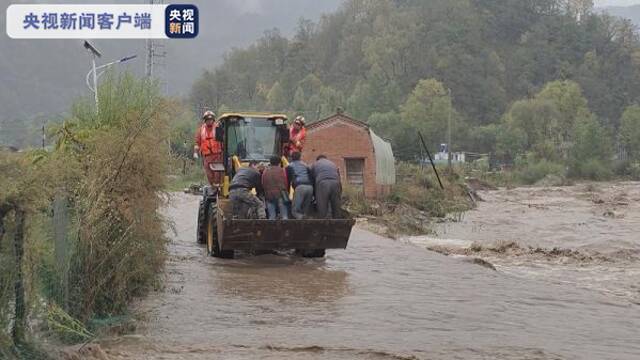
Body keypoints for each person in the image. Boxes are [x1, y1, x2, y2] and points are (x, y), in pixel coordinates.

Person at [194, 111, 223, 185]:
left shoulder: (218, 128)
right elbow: (197, 142)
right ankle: (212, 187)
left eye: (211, 119)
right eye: (207, 119)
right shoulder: (201, 130)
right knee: (209, 175)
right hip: (206, 157)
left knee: (217, 174)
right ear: (205, 120)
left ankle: (218, 187)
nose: (209, 121)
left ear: (213, 120)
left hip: (217, 156)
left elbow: (223, 141)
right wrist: (195, 152)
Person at [286, 151, 314, 219]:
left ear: (291, 158)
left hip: (300, 187)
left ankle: (301, 220)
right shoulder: (305, 165)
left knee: (295, 211)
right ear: (300, 157)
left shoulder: (289, 166)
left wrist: (288, 193)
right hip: (310, 187)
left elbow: (288, 180)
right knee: (305, 211)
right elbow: (311, 177)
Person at [262, 156, 290, 220]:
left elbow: (263, 183)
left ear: (270, 162)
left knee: (271, 217)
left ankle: (271, 229)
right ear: (279, 163)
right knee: (284, 216)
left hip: (269, 195)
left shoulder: (265, 171)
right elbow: (286, 182)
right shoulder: (282, 170)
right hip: (280, 194)